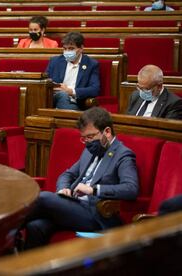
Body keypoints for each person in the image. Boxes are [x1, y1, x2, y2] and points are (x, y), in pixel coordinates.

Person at [19, 107, 139, 250]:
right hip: (75, 206)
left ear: (107, 131)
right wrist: (62, 189)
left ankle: (3, 232)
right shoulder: (89, 151)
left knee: (44, 197)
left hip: (96, 214)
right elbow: (67, 174)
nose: (87, 142)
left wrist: (92, 190)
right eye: (84, 138)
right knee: (36, 226)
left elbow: (131, 188)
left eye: (90, 137)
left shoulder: (123, 155)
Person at [46, 32, 100, 110]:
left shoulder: (91, 64)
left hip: (77, 102)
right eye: (65, 48)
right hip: (54, 99)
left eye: (71, 48)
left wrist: (71, 91)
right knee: (62, 95)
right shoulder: (55, 61)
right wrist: (54, 87)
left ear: (81, 48)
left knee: (65, 97)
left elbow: (95, 89)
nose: (67, 52)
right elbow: (45, 82)